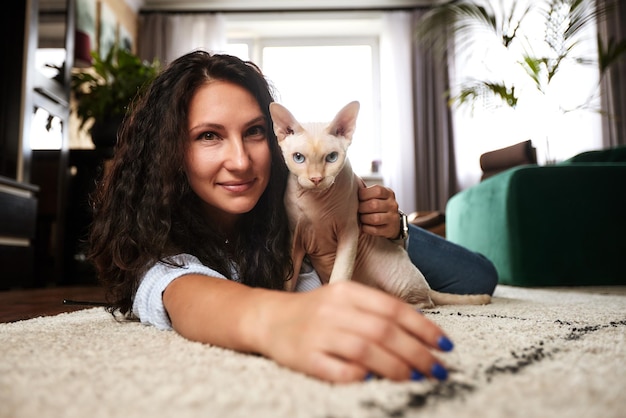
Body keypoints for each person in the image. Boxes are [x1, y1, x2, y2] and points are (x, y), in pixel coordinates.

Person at [88, 50, 497, 384]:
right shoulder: (158, 238)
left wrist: (395, 228)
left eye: (254, 132)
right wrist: (276, 319)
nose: (241, 160)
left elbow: (476, 278)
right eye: (209, 136)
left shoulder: (298, 193)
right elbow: (183, 293)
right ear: (170, 150)